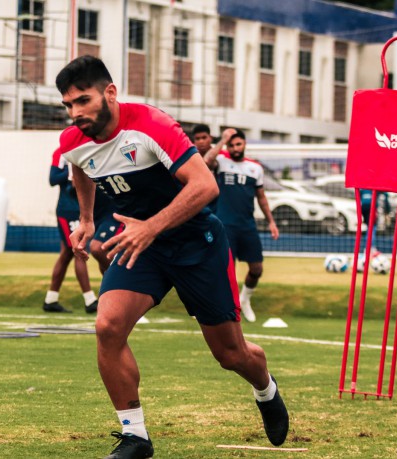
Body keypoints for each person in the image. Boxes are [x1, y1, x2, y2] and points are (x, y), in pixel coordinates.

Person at [56, 56, 288, 459]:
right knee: (108, 326)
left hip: (197, 244)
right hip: (141, 246)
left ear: (110, 92)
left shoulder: (150, 125)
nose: (75, 113)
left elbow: (204, 186)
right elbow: (80, 170)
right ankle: (136, 437)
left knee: (230, 355)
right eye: (68, 105)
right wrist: (88, 220)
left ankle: (265, 387)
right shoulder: (73, 142)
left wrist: (151, 226)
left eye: (83, 100)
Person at [203, 128, 279, 322]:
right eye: (232, 145)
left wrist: (271, 221)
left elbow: (261, 198)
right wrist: (222, 141)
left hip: (247, 226)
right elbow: (206, 162)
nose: (235, 148)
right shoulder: (221, 161)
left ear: (244, 144)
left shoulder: (255, 168)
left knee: (257, 269)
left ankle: (245, 299)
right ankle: (227, 308)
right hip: (224, 225)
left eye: (238, 144)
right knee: (227, 270)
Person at [44, 148, 100, 314]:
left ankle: (51, 299)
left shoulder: (94, 147)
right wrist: (71, 173)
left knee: (67, 253)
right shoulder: (62, 152)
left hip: (83, 208)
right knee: (78, 249)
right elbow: (52, 179)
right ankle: (90, 300)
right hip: (68, 208)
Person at [359, 189, 391, 258]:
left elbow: (358, 196)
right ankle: (370, 249)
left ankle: (369, 249)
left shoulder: (363, 189)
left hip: (363, 208)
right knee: (372, 228)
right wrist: (388, 210)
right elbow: (385, 194)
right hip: (371, 207)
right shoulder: (375, 187)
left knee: (369, 227)